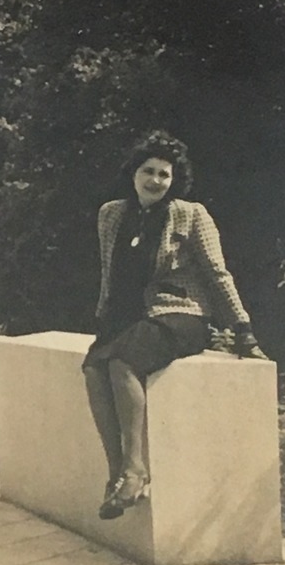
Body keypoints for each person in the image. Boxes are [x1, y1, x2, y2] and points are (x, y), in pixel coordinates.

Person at [82, 131, 266, 520]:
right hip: (132, 317)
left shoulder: (190, 214)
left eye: (164, 175)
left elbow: (218, 274)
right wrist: (103, 318)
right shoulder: (111, 215)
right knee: (94, 367)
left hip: (183, 314)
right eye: (148, 171)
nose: (155, 181)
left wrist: (242, 328)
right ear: (133, 174)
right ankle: (116, 473)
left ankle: (136, 470)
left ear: (173, 180)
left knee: (122, 363)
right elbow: (109, 272)